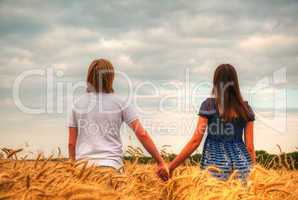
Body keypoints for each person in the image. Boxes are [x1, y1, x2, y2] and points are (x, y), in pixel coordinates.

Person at [68, 58, 168, 174]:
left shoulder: (77, 105)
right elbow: (142, 134)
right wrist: (160, 162)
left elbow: (71, 143)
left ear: (89, 76)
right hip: (111, 167)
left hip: (83, 169)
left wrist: (72, 168)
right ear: (111, 77)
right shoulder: (120, 103)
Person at [157, 64, 255, 181]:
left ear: (216, 83)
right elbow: (250, 148)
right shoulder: (246, 109)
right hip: (242, 166)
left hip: (215, 165)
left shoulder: (209, 106)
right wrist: (253, 173)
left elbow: (195, 142)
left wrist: (171, 167)